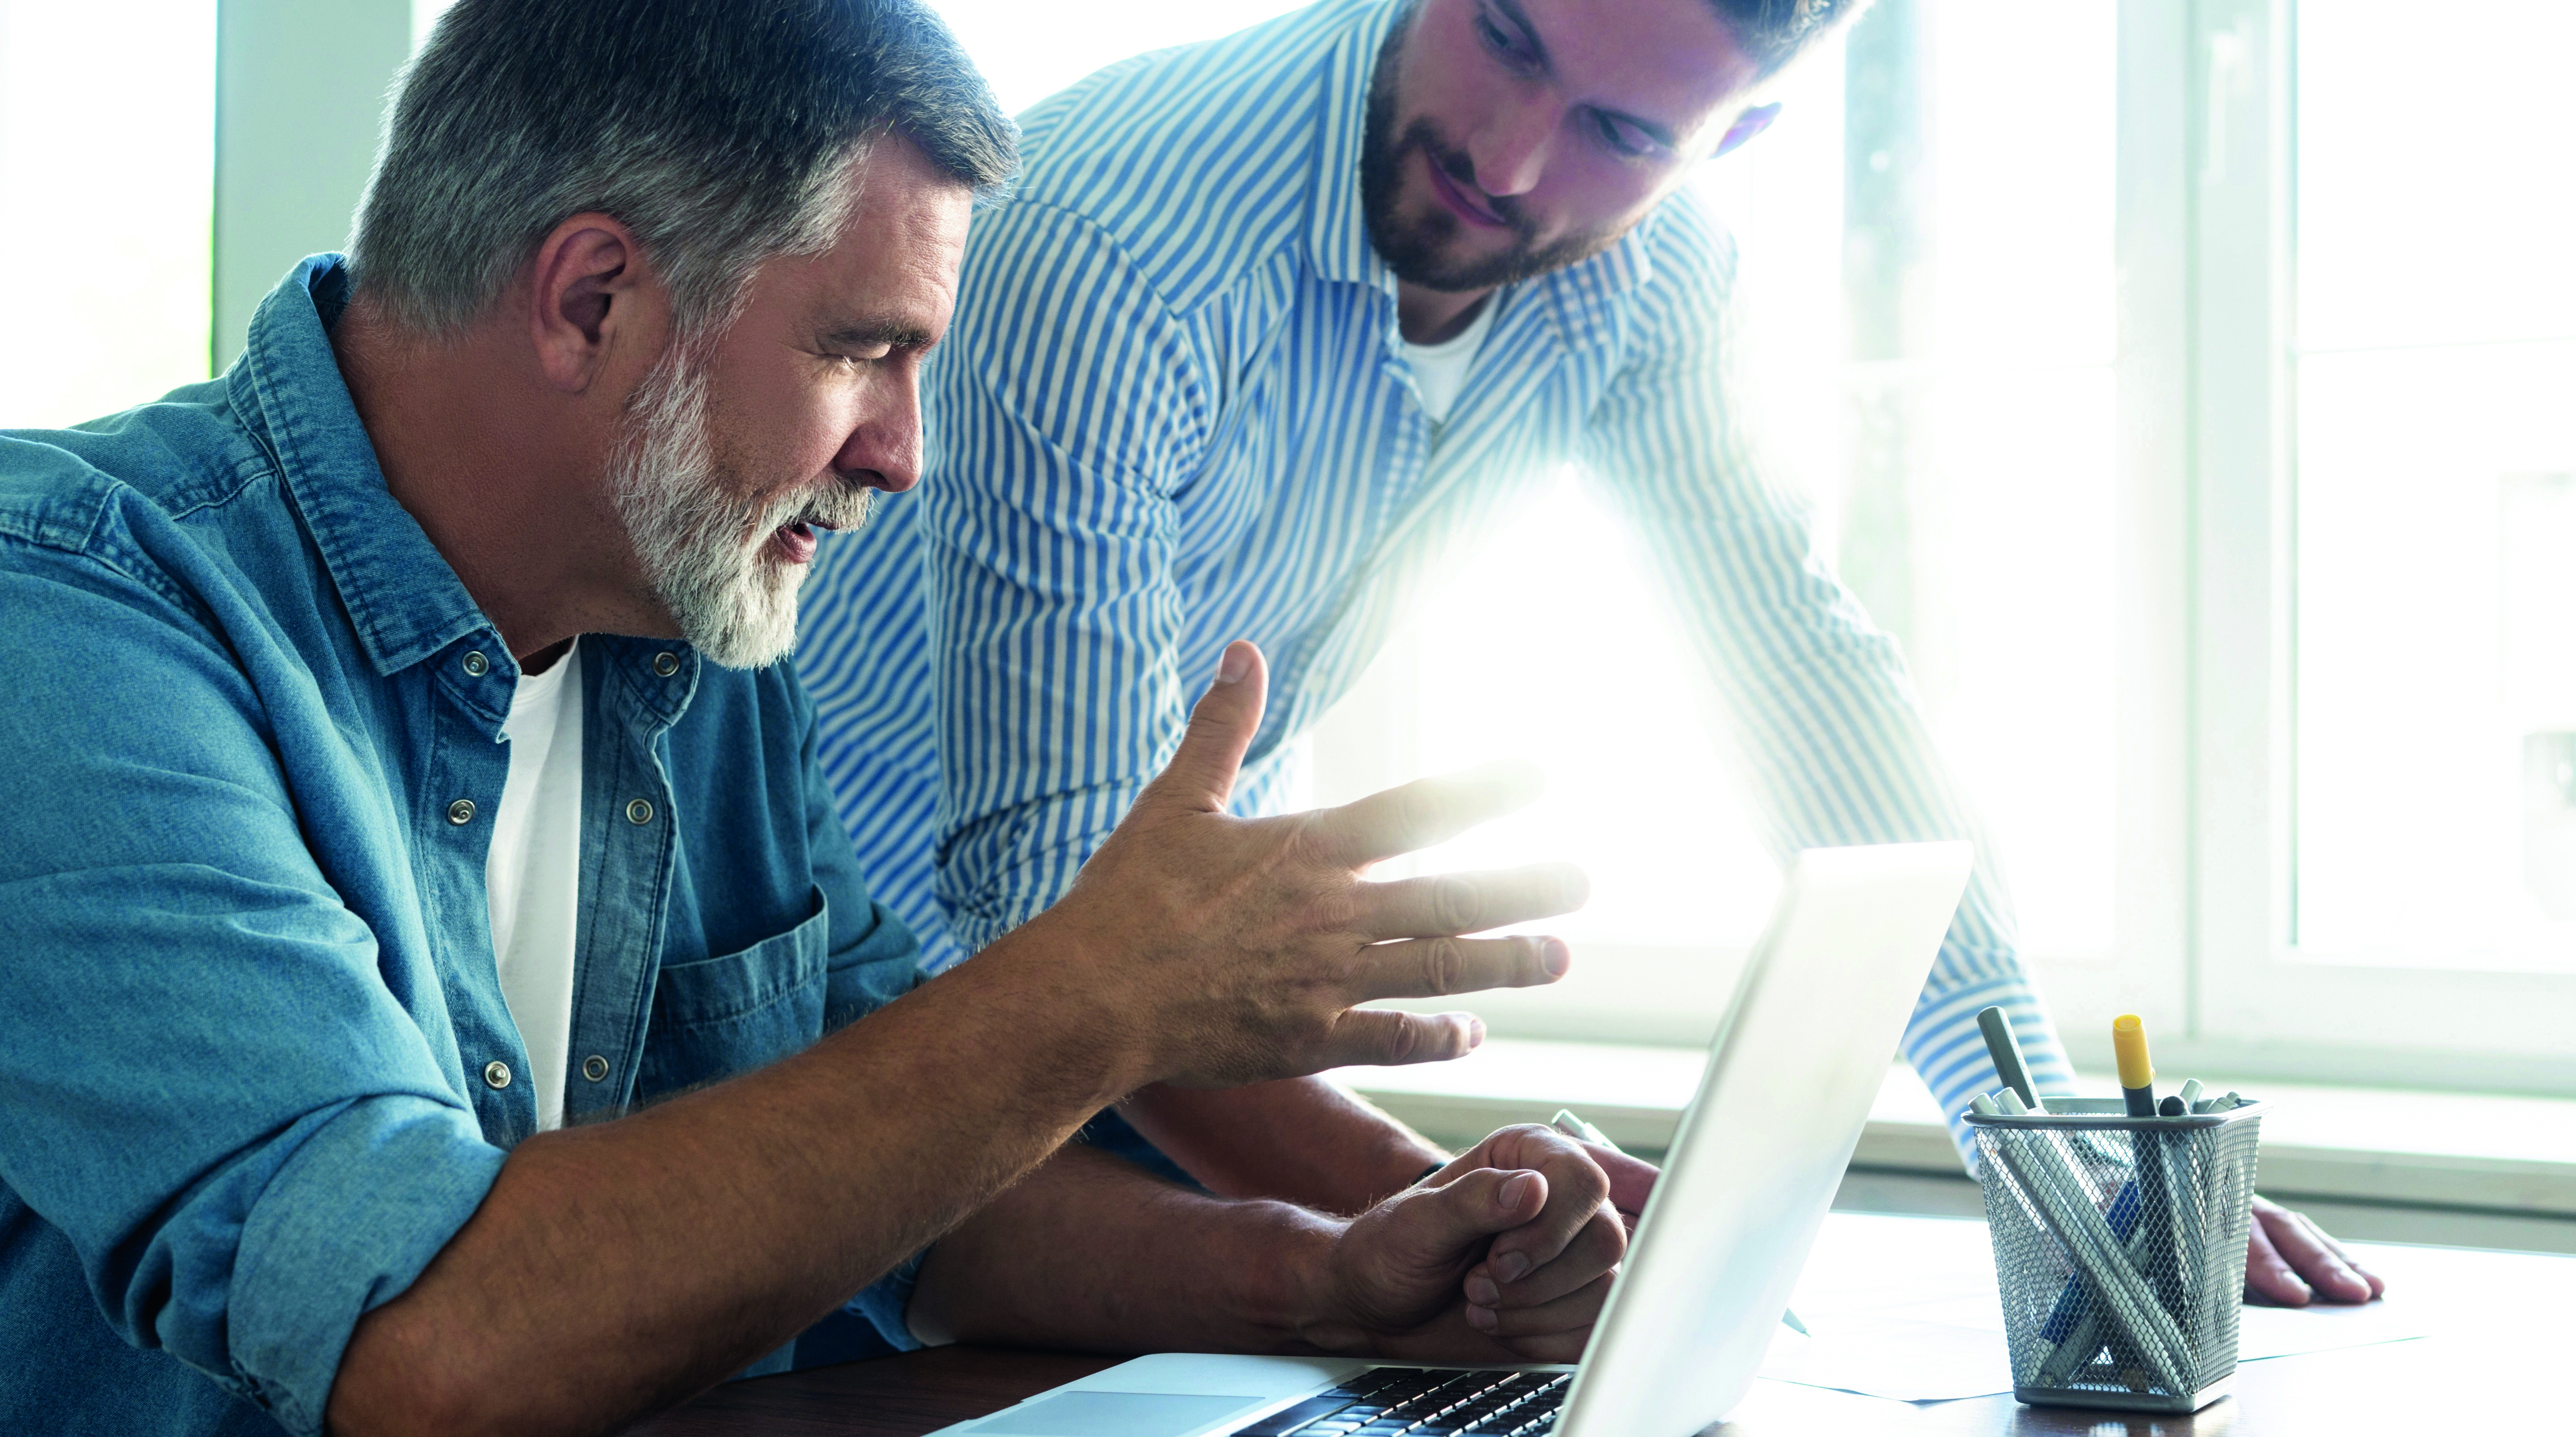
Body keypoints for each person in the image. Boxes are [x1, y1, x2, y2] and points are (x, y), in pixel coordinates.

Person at [0, 4, 1645, 1434]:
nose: (899, 457)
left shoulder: (685, 628)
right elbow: (427, 1348)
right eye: (866, 353)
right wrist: (1103, 994)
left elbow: (912, 1206)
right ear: (591, 301)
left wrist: (1339, 1282)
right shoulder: (73, 623)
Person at [799, 0, 2384, 1308]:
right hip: (823, 1021)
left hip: (1165, 1043)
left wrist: (2046, 1149)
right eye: (1508, 38)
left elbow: (1801, 679)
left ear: (1730, 143)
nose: (1505, 157)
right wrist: (1460, 1203)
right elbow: (1066, 902)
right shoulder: (1115, 247)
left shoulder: (1654, 283)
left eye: (1623, 136)